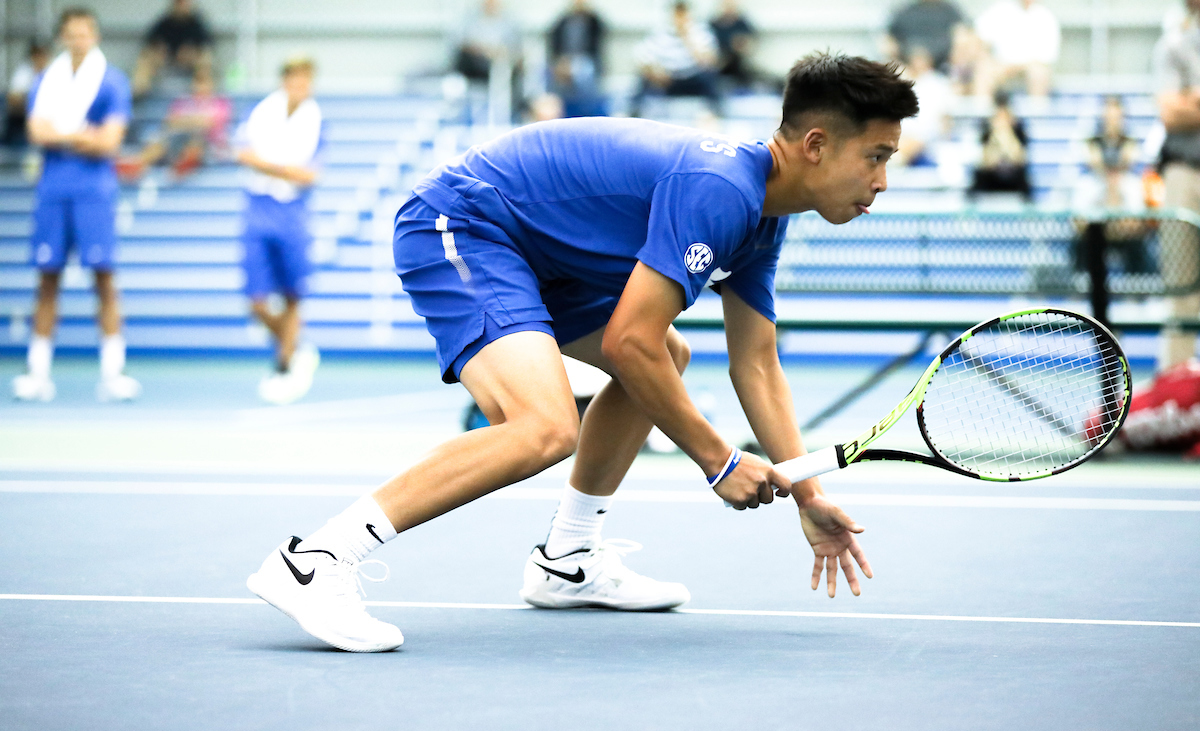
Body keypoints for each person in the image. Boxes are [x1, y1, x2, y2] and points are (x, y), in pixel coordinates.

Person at [246, 53, 916, 653]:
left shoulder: (762, 218)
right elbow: (628, 341)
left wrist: (806, 494)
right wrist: (719, 460)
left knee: (667, 357)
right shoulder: (722, 188)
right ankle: (316, 560)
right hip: (465, 221)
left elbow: (758, 364)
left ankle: (567, 560)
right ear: (816, 145)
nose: (883, 180)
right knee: (543, 426)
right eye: (876, 156)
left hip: (544, 256)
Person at [12, 8, 140, 403]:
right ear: (62, 38)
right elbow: (37, 132)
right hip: (53, 190)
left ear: (95, 36)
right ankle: (37, 372)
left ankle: (114, 372)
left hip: (94, 191)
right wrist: (83, 135)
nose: (78, 40)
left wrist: (63, 134)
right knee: (46, 281)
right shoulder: (46, 80)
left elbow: (110, 142)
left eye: (85, 33)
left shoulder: (112, 81)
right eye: (72, 33)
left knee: (104, 280)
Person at [235, 57, 323, 405]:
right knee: (255, 301)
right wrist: (286, 169)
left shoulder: (316, 120)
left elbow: (310, 175)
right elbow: (244, 155)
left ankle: (284, 365)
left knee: (292, 294)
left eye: (306, 81)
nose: (300, 87)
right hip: (259, 207)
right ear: (284, 81)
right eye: (295, 80)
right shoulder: (262, 113)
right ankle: (296, 347)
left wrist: (268, 165)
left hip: (292, 212)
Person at [1155, 0, 1200, 372]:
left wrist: (1194, 98)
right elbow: (1169, 112)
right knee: (1181, 288)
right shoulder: (1175, 45)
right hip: (1184, 172)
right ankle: (1175, 384)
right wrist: (1184, 102)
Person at [1071, 96, 1150, 276]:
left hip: (1122, 228)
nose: (1113, 121)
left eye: (1117, 116)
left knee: (1137, 237)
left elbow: (1135, 225)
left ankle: (1137, 282)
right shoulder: (1092, 147)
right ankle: (1081, 280)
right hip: (1097, 192)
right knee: (1083, 240)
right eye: (1109, 116)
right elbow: (1079, 223)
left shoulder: (1130, 148)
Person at [117, 66, 231, 181]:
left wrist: (185, 121)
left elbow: (208, 123)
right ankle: (138, 163)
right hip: (177, 140)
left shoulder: (220, 102)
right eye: (198, 82)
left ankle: (184, 162)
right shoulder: (183, 100)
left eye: (205, 82)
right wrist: (194, 121)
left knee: (196, 138)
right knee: (161, 139)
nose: (201, 87)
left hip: (209, 145)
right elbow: (170, 122)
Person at [632, 1, 721, 117]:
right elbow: (644, 57)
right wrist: (655, 72)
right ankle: (633, 113)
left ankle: (716, 113)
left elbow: (709, 61)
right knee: (643, 80)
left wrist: (687, 38)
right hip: (669, 79)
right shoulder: (660, 33)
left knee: (710, 76)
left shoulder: (701, 32)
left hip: (693, 78)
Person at [973, 0, 1060, 99]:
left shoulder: (1046, 17)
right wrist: (986, 57)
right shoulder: (999, 10)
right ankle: (981, 108)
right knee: (983, 71)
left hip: (1030, 67)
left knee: (1039, 73)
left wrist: (1016, 67)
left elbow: (1047, 58)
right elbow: (980, 38)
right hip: (1001, 66)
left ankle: (1037, 108)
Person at [132, 0, 213, 99]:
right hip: (166, 59)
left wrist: (191, 52)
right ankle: (139, 90)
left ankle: (202, 93)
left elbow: (206, 46)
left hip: (188, 61)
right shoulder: (165, 22)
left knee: (205, 60)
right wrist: (159, 50)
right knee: (146, 59)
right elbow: (150, 43)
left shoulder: (196, 23)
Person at [547, 0, 607, 117]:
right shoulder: (563, 21)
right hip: (564, 59)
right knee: (551, 73)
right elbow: (554, 46)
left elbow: (597, 46)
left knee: (584, 71)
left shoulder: (593, 21)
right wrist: (561, 61)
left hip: (586, 59)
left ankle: (586, 110)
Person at [969, 91, 1032, 201]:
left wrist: (1007, 137)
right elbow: (986, 161)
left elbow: (1019, 159)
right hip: (991, 174)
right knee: (978, 175)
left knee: (1023, 175)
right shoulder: (987, 128)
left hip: (1013, 174)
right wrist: (996, 136)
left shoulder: (1018, 129)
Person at [896, 47, 953, 167]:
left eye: (921, 60)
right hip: (904, 133)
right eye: (915, 60)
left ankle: (897, 162)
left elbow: (945, 117)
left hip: (927, 135)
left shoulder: (938, 83)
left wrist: (943, 136)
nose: (918, 63)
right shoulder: (903, 81)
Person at [882, 0, 965, 73]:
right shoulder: (906, 11)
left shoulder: (949, 12)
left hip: (942, 63)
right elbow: (889, 35)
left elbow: (962, 32)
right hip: (908, 62)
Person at [3, 42, 50, 148]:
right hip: (21, 120)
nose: (41, 59)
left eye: (44, 55)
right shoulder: (24, 72)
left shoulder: (51, 72)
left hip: (45, 119)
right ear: (33, 57)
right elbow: (13, 99)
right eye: (38, 55)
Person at [710, 0, 758, 90]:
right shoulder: (713, 24)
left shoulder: (742, 23)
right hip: (718, 58)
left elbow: (750, 43)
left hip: (737, 59)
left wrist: (741, 44)